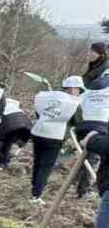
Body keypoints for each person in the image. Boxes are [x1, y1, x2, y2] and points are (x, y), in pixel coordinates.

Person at [28, 75, 83, 203]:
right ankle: (36, 196)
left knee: (38, 161)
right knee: (46, 166)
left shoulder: (47, 95)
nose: (79, 92)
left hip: (38, 131)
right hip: (54, 136)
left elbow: (38, 111)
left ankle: (34, 186)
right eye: (79, 89)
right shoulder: (73, 102)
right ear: (73, 88)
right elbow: (78, 121)